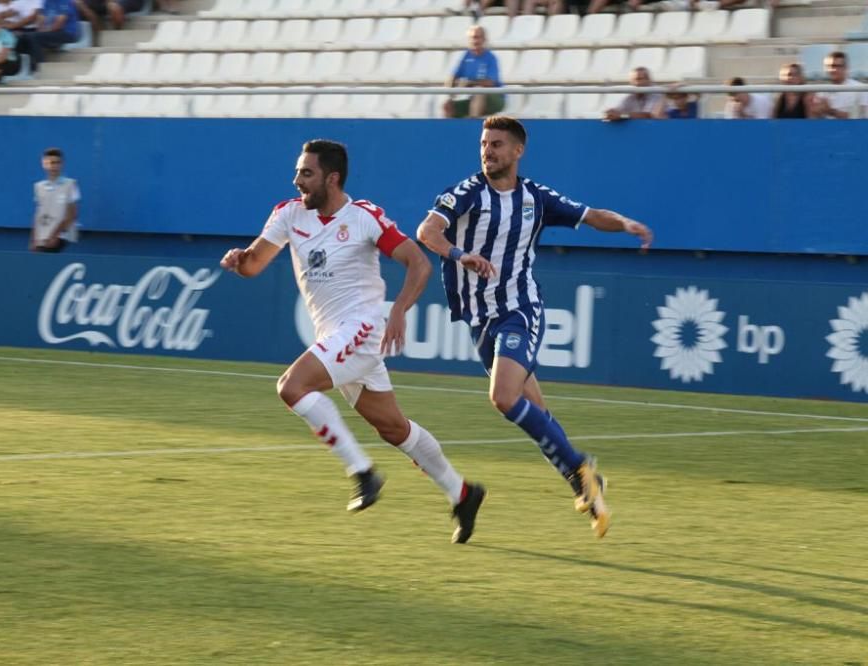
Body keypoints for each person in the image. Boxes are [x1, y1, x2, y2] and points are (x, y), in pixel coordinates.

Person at [219, 139, 486, 544]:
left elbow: (418, 262)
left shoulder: (364, 217)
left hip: (361, 328)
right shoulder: (289, 214)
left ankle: (362, 472)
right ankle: (462, 493)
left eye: (306, 174)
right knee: (393, 428)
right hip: (334, 336)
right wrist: (239, 261)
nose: (297, 181)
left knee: (291, 386)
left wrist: (397, 311)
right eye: (297, 172)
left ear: (332, 177)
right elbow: (254, 264)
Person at [416, 116, 653, 539]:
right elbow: (427, 231)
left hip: (520, 310)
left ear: (518, 151)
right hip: (480, 319)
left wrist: (626, 224)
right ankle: (585, 482)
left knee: (504, 398)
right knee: (536, 413)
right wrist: (460, 254)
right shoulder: (467, 192)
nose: (488, 151)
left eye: (498, 144)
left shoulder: (535, 198)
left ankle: (581, 470)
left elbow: (590, 215)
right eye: (484, 143)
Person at [443, 25, 505, 119]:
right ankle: (450, 131)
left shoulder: (491, 58)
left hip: (494, 98)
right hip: (473, 98)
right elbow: (453, 76)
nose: (474, 41)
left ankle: (472, 128)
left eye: (477, 37)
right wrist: (452, 90)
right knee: (448, 106)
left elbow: (489, 83)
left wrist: (469, 84)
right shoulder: (466, 56)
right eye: (472, 38)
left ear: (484, 39)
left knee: (479, 92)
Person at [30, 147, 80, 253]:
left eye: (57, 163)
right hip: (42, 237)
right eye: (50, 163)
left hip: (61, 236)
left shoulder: (70, 185)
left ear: (62, 164)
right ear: (44, 164)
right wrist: (33, 238)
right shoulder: (39, 187)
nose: (54, 166)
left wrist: (55, 235)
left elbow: (72, 214)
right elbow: (38, 213)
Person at [817, 51, 867, 119]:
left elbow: (859, 118)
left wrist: (830, 111)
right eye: (829, 66)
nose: (833, 69)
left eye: (838, 66)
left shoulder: (860, 89)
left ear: (846, 68)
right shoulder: (821, 91)